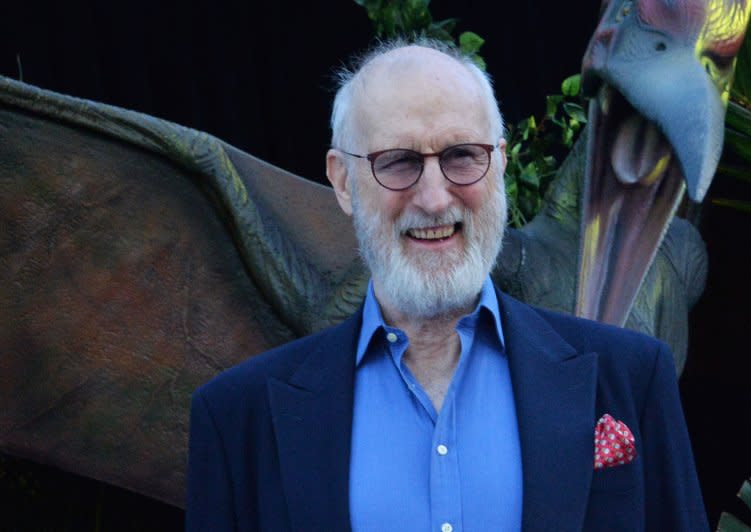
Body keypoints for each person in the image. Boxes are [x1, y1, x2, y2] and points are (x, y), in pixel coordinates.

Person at [185, 38, 708, 531]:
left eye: (462, 156)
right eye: (399, 162)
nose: (434, 198)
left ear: (500, 162)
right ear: (343, 181)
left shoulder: (632, 380)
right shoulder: (238, 419)